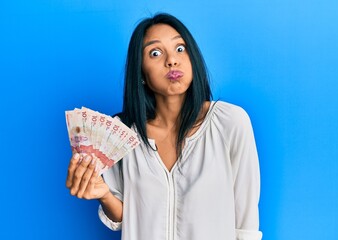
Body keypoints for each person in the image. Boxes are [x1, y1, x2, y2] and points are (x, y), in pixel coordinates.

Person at [66, 13, 262, 240]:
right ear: (141, 73)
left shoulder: (231, 122)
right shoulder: (122, 134)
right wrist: (104, 195)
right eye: (155, 53)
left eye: (180, 48)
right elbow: (123, 219)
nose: (172, 60)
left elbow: (246, 224)